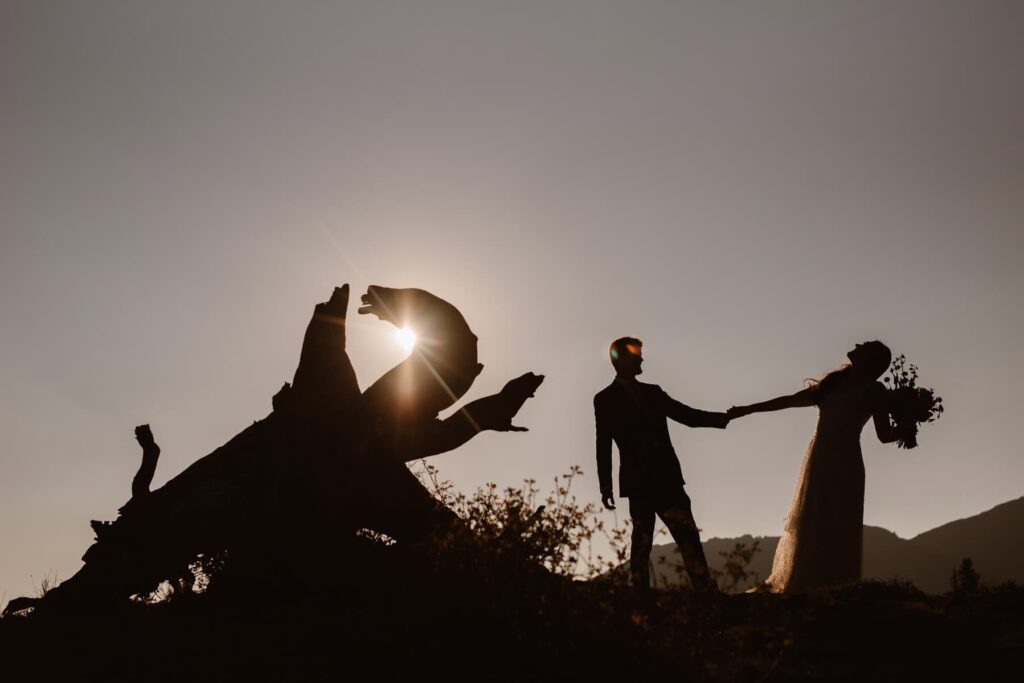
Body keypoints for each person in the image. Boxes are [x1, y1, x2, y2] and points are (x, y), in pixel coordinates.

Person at [727, 341, 897, 593]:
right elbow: (789, 400)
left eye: (865, 345)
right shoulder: (833, 384)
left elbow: (884, 435)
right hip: (820, 456)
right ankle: (805, 583)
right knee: (813, 515)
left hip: (848, 459)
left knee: (841, 519)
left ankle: (836, 585)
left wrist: (906, 428)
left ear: (871, 359)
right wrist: (749, 409)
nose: (858, 344)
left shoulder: (875, 390)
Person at [594, 337, 729, 593]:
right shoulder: (604, 399)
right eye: (637, 354)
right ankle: (640, 593)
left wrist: (721, 418)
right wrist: (606, 486)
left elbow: (685, 415)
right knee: (642, 541)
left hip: (667, 477)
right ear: (621, 359)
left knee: (688, 537)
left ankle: (704, 590)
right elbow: (603, 444)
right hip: (638, 482)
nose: (642, 358)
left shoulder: (653, 392)